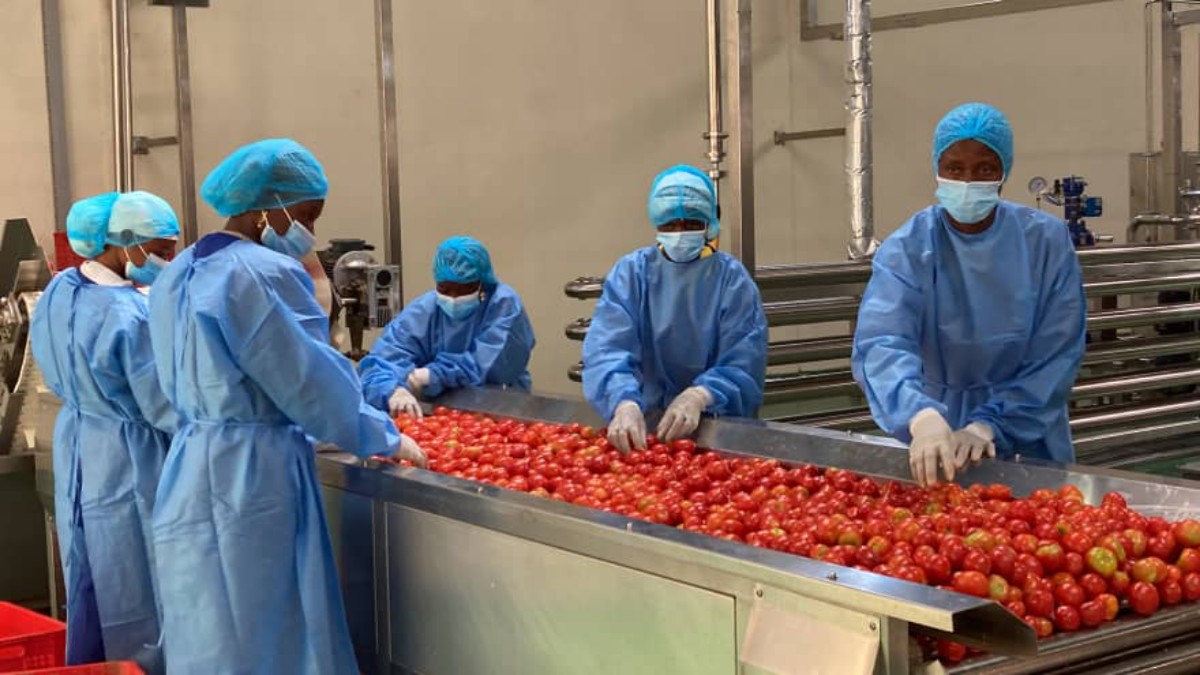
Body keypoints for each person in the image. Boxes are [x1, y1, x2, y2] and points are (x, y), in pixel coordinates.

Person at [147, 138, 425, 674]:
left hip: (189, 466)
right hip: (254, 478)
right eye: (306, 215)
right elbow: (307, 378)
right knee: (270, 626)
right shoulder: (262, 273)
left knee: (207, 625)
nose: (309, 232)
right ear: (265, 208)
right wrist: (380, 434)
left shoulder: (178, 272)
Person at [851, 103, 1087, 487]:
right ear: (937, 169)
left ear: (1004, 172)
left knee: (1035, 518)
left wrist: (990, 425)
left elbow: (1057, 354)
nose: (967, 180)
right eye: (954, 168)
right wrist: (920, 417)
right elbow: (882, 342)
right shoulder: (909, 248)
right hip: (935, 437)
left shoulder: (1046, 243)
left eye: (985, 169)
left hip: (1030, 434)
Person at [31, 191, 180, 674]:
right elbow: (162, 403)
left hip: (80, 440)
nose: (166, 262)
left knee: (90, 571)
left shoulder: (60, 290)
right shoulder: (129, 315)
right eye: (161, 251)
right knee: (141, 580)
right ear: (124, 241)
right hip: (130, 453)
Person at [582, 165, 768, 453]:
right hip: (643, 426)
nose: (680, 233)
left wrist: (701, 396)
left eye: (691, 224)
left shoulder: (732, 281)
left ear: (709, 223)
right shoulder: (632, 274)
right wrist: (623, 402)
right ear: (657, 223)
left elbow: (744, 360)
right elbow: (607, 348)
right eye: (670, 225)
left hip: (716, 425)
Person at [360, 236, 535, 418]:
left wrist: (430, 375)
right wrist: (392, 390)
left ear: (482, 283)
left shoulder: (503, 304)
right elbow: (385, 358)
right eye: (444, 288)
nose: (453, 298)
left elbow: (492, 364)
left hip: (500, 409)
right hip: (438, 413)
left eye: (464, 289)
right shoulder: (424, 310)